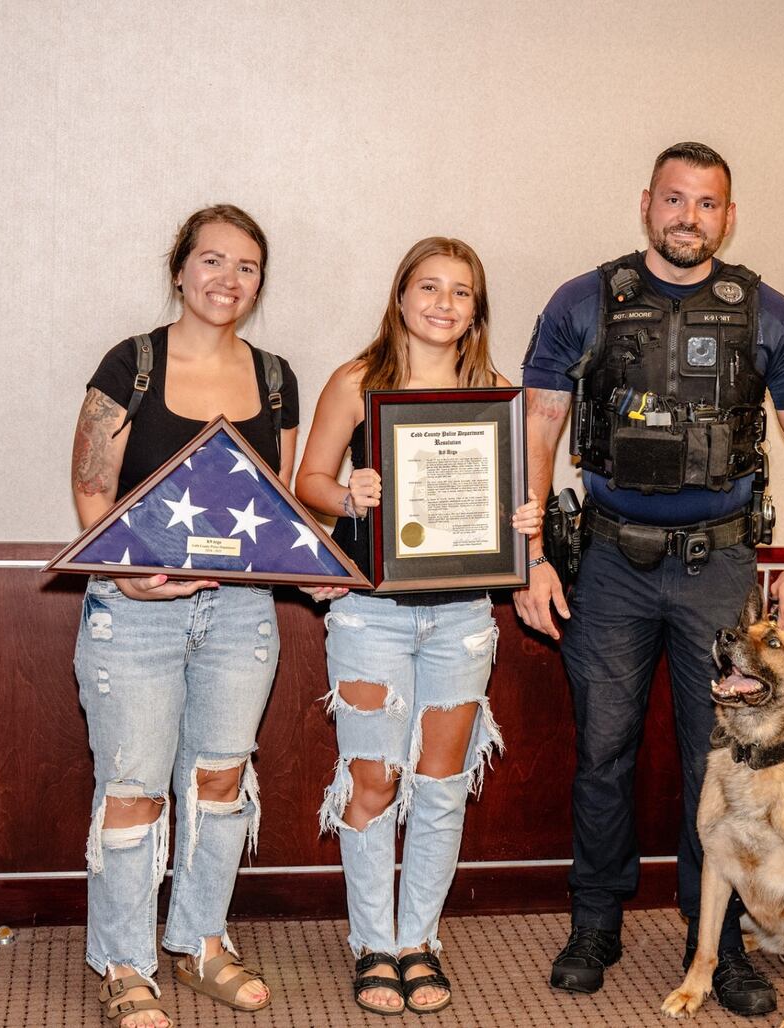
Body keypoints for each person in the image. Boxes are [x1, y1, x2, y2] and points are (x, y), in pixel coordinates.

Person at [515, 142, 784, 1016]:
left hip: (719, 568)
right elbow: (538, 428)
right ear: (646, 205)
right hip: (608, 564)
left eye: (707, 203)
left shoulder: (769, 315)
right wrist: (531, 556)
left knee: (727, 761)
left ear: (728, 217)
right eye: (673, 199)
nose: (687, 217)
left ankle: (721, 944)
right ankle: (596, 921)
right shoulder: (583, 303)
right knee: (603, 750)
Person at [295, 237, 542, 1016]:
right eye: (428, 287)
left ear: (477, 309)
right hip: (368, 612)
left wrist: (524, 518)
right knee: (373, 778)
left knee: (440, 786)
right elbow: (306, 483)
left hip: (465, 616)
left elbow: (510, 509)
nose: (443, 303)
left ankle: (417, 942)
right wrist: (349, 494)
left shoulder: (495, 394)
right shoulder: (357, 380)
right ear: (400, 297)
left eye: (461, 292)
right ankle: (372, 942)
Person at [70, 204, 298, 1028]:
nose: (227, 279)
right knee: (132, 789)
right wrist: (126, 577)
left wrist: (327, 565)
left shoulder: (277, 377)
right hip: (132, 615)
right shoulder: (130, 363)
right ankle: (125, 964)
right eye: (211, 261)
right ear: (179, 269)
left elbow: (277, 509)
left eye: (246, 266)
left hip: (241, 617)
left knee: (220, 783)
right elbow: (93, 488)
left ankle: (200, 941)